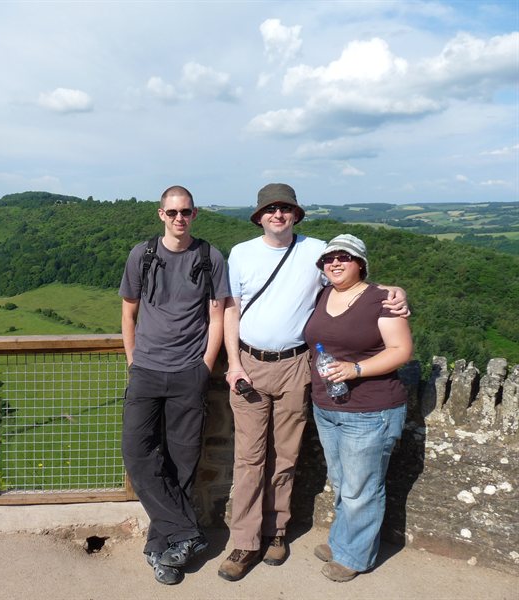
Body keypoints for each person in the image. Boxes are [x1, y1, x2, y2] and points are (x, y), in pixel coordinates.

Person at [219, 183, 407, 582]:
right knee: (249, 458)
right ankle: (244, 541)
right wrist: (233, 363)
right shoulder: (241, 253)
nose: (278, 215)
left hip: (296, 365)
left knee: (285, 456)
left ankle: (277, 531)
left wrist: (396, 291)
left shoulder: (316, 251)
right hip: (250, 363)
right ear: (258, 216)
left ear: (296, 215)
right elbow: (230, 311)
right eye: (270, 209)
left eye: (285, 209)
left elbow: (353, 286)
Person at [119, 185, 230, 585]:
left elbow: (217, 316)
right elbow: (128, 313)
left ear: (195, 214)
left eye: (185, 212)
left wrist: (204, 365)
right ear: (160, 214)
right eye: (172, 212)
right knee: (136, 452)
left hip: (189, 373)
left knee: (182, 462)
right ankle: (186, 531)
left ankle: (162, 551)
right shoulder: (142, 255)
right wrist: (134, 360)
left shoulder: (210, 256)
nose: (179, 218)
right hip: (147, 370)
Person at [304, 234, 413, 582]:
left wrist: (356, 369)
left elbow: (400, 349)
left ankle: (355, 556)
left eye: (345, 258)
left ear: (361, 263)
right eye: (329, 258)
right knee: (341, 481)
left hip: (370, 410)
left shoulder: (381, 300)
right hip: (328, 405)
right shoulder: (325, 294)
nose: (335, 263)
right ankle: (341, 541)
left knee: (361, 487)